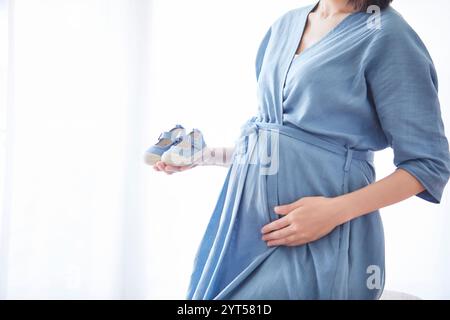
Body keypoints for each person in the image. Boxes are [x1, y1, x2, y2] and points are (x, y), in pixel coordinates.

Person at [153, 0, 450, 299]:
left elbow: (427, 165)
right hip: (242, 231)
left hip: (320, 238)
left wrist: (332, 213)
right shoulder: (285, 25)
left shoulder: (387, 34)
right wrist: (205, 156)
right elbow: (278, 139)